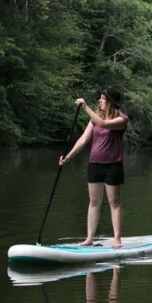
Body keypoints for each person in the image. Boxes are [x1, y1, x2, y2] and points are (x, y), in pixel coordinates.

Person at [59, 89, 129, 247]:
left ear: (111, 102)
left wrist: (85, 106)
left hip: (113, 166)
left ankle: (117, 239)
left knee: (114, 203)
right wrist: (68, 157)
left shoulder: (121, 120)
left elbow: (104, 124)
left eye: (103, 99)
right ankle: (89, 238)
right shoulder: (94, 120)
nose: (100, 101)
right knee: (94, 201)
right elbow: (83, 140)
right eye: (100, 98)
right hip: (94, 165)